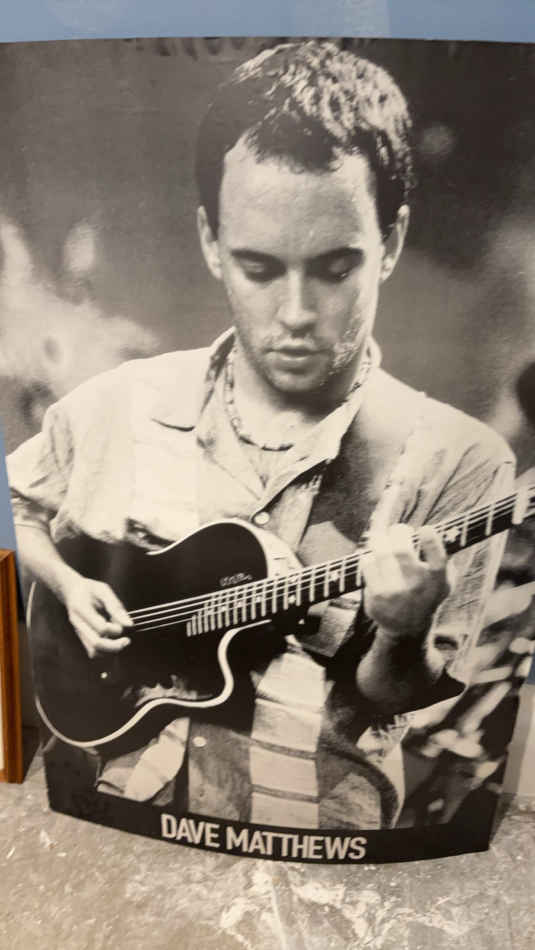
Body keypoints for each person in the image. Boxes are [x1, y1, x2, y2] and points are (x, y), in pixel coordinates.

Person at [7, 41, 515, 830]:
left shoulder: (458, 460)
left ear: (392, 241)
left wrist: (404, 627)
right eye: (258, 268)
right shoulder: (117, 402)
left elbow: (394, 697)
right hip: (104, 805)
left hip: (311, 833)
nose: (296, 315)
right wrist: (69, 586)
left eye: (335, 269)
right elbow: (17, 508)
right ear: (211, 242)